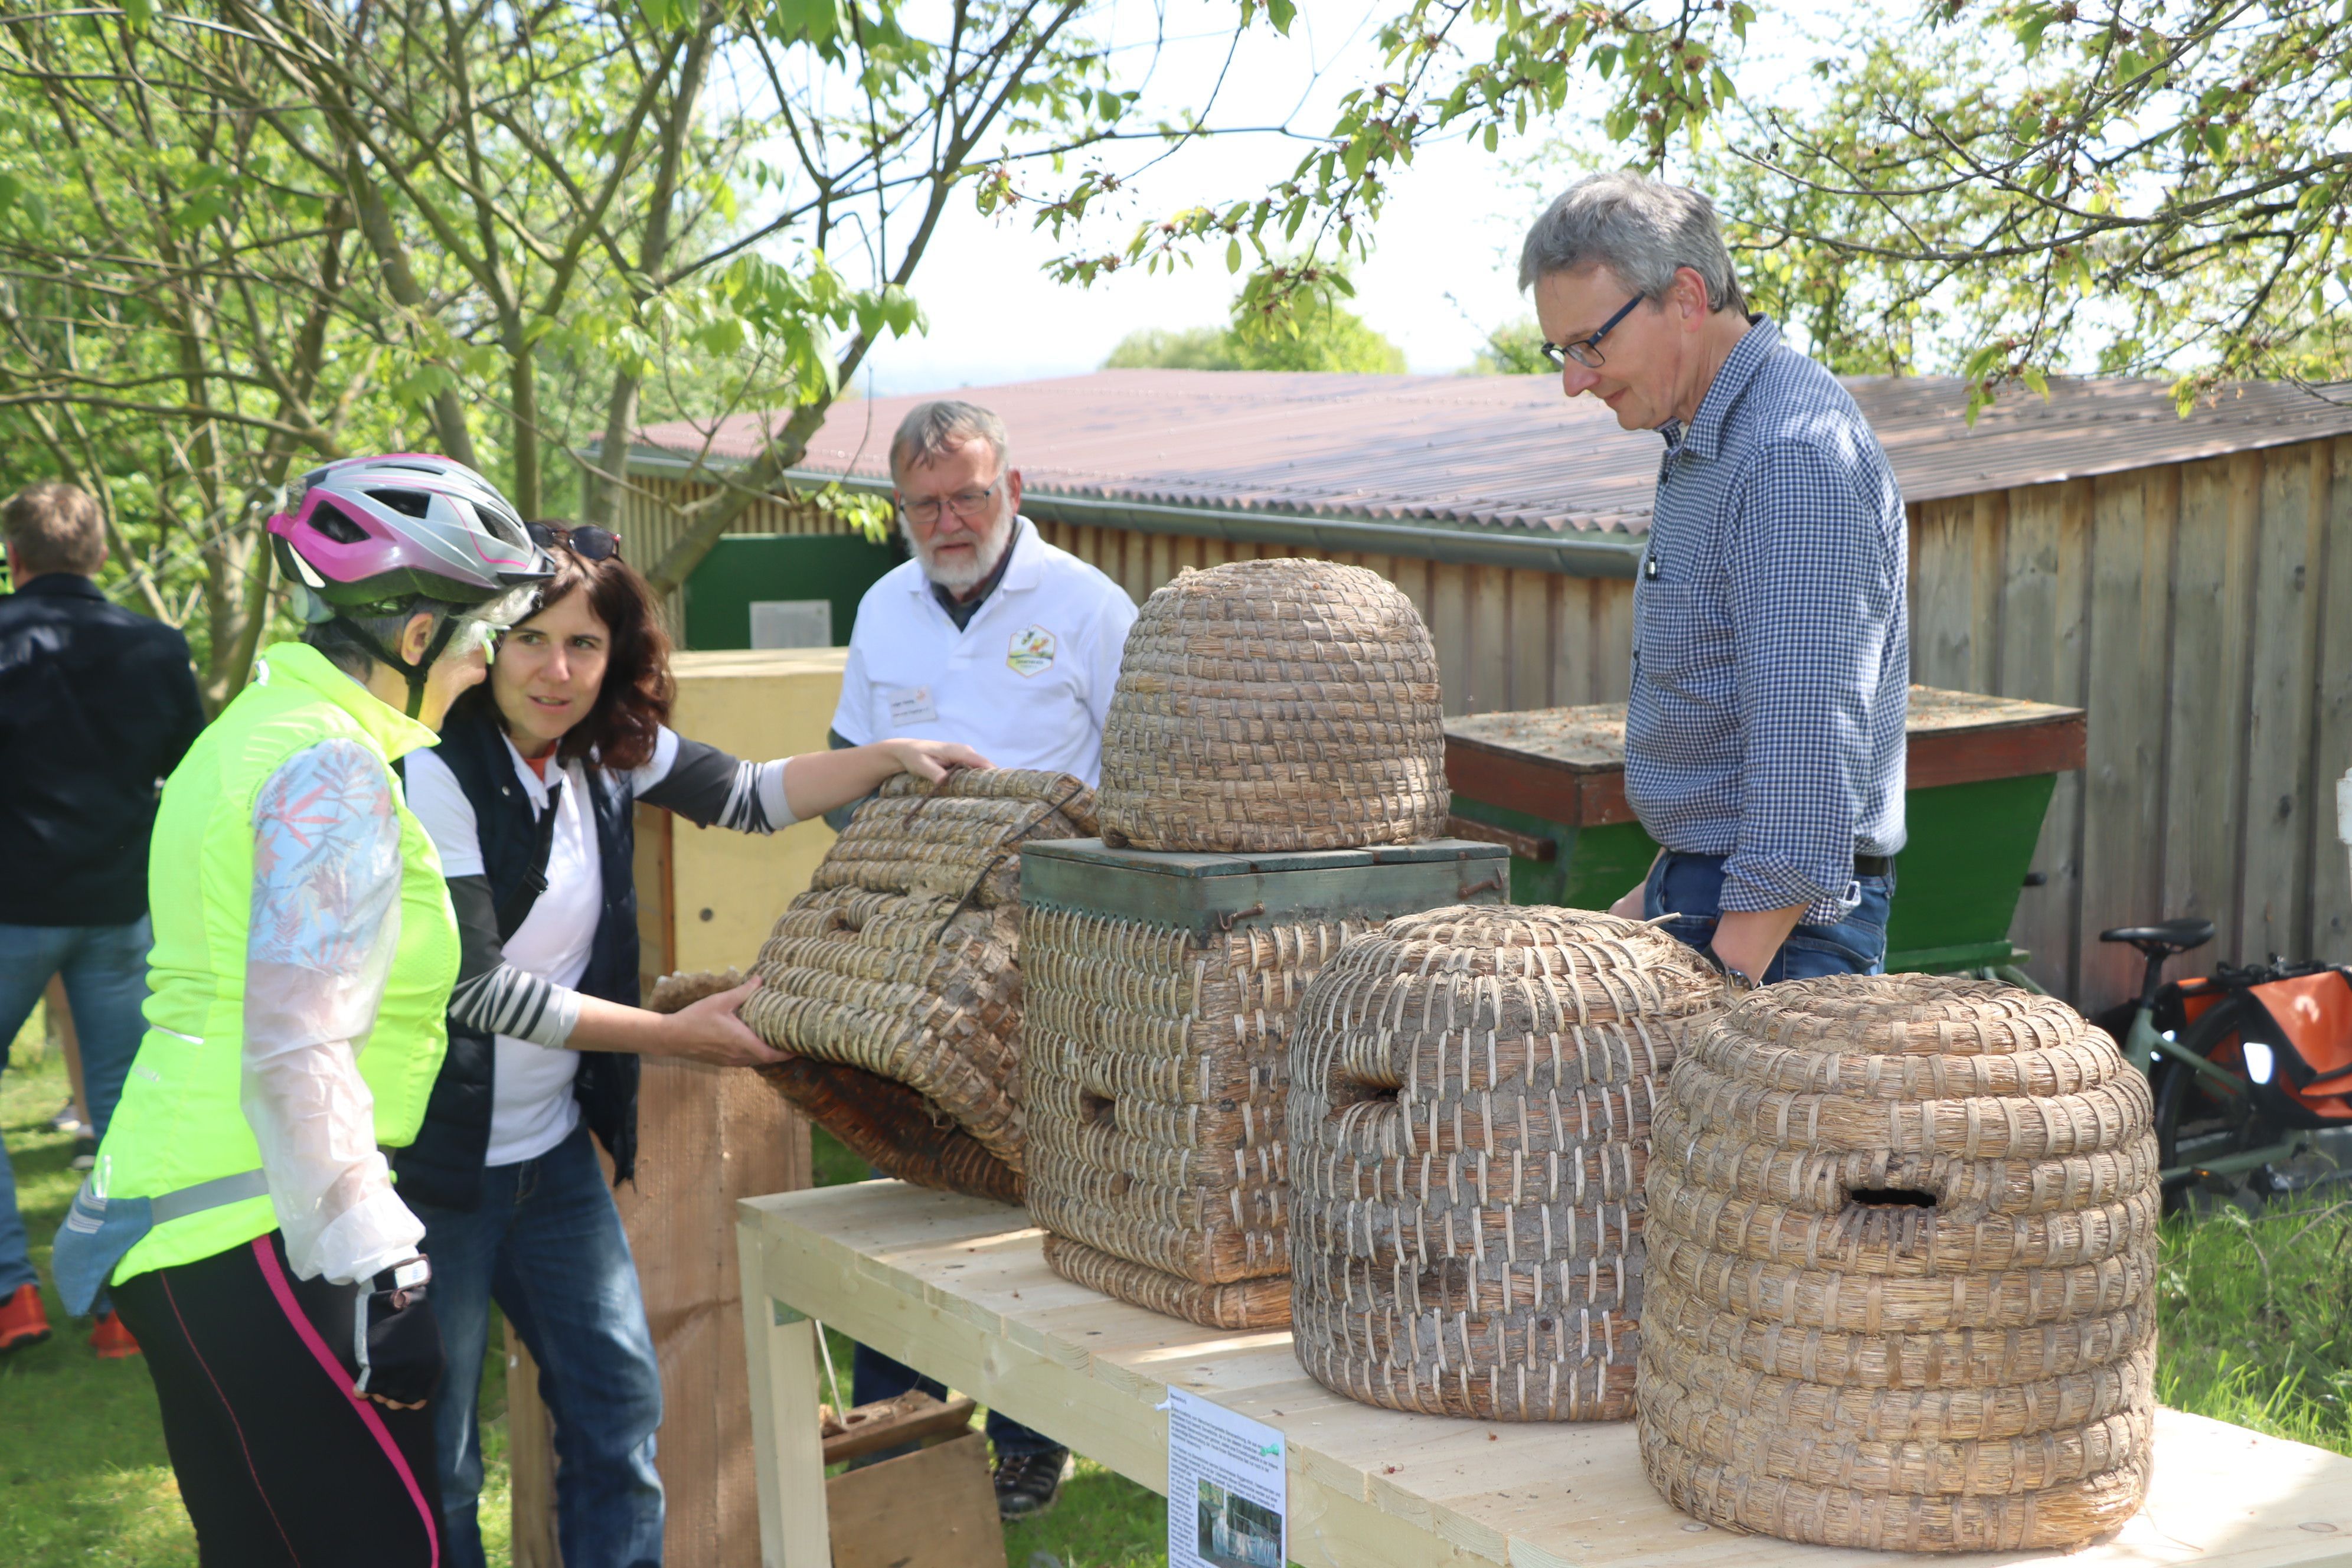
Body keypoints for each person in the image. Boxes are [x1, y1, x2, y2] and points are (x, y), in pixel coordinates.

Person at [396, 522, 988, 1568]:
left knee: (620, 1416)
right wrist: (674, 1038)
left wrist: (885, 759)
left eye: (586, 644)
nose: (559, 669)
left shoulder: (609, 747)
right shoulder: (435, 770)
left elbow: (751, 796)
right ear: (485, 642)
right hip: (429, 1175)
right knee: (435, 1460)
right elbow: (477, 989)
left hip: (552, 1159)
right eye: (532, 639)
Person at [58, 454, 554, 1566]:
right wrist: (383, 1262)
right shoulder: (329, 770)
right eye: (484, 634)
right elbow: (299, 1039)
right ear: (415, 635)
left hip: (200, 1208)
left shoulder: (259, 731)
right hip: (255, 1218)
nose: (488, 666)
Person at [831, 398, 1139, 1519]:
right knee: (907, 1173)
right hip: (916, 953)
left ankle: (1030, 1435)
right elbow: (847, 763)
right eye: (925, 504)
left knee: (1030, 1186)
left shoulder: (1091, 608)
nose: (948, 519)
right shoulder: (883, 606)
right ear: (900, 511)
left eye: (967, 494)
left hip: (1049, 959)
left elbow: (1144, 784)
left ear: (1013, 489)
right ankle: (893, 1429)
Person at [1519, 172, 1909, 988]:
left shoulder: (1790, 456)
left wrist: (1722, 994)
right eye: (1562, 351)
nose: (1575, 379)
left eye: (1592, 343)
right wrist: (1622, 920)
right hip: (1713, 898)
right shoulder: (1709, 439)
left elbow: (1804, 782)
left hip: (1777, 943)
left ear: (1686, 298)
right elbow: (1728, 757)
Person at [0, 481, 206, 1358]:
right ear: (99, 554)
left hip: (11, 903)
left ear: (13, 557)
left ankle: (14, 1294)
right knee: (127, 1104)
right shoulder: (157, 647)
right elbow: (191, 772)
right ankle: (123, 1303)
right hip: (120, 904)